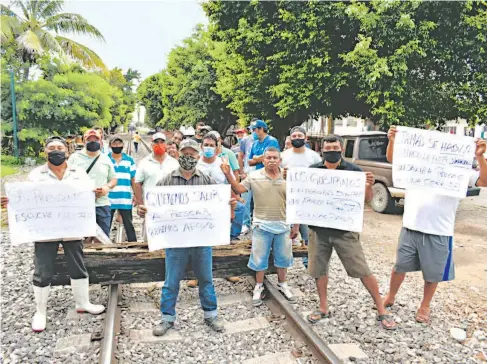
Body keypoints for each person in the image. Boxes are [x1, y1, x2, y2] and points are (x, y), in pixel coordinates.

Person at [383, 127, 487, 324]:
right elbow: (393, 160)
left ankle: (425, 306)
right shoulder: (416, 163)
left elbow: (484, 181)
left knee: (432, 274)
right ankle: (390, 296)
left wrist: (480, 157)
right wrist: (392, 140)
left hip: (439, 230)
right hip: (411, 226)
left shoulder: (460, 170)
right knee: (399, 267)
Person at [2, 136, 105, 332]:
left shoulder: (79, 173)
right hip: (45, 230)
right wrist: (12, 202)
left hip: (73, 228)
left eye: (59, 147)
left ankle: (83, 302)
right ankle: (40, 311)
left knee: (78, 263)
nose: (56, 150)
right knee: (43, 267)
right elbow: (26, 198)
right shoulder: (35, 175)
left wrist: (96, 192)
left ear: (67, 151)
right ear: (45, 152)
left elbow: (88, 193)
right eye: (52, 148)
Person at [137, 139, 235, 337]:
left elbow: (220, 204)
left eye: (192, 154)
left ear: (198, 156)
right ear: (178, 155)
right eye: (185, 153)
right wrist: (144, 210)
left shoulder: (206, 180)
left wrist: (229, 204)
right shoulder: (166, 180)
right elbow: (153, 206)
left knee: (206, 278)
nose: (188, 157)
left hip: (201, 240)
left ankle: (211, 315)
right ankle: (167, 318)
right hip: (175, 241)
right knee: (171, 280)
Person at [303, 135, 396, 329]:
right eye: (328, 148)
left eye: (335, 147)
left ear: (341, 149)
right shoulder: (312, 172)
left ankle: (381, 309)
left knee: (361, 270)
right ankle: (323, 307)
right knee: (319, 270)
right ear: (322, 149)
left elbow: (368, 199)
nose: (331, 151)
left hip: (345, 230)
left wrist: (369, 186)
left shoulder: (353, 171)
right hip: (319, 230)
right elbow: (302, 196)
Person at [222, 147, 298, 306]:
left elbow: (296, 202)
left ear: (280, 160)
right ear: (263, 160)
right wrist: (228, 174)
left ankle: (282, 284)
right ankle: (258, 286)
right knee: (259, 258)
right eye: (268, 157)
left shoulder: (289, 177)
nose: (271, 160)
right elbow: (239, 189)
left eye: (275, 158)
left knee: (283, 258)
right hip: (261, 225)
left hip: (283, 224)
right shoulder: (254, 176)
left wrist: (295, 225)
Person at [281, 126, 322, 264]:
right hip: (286, 200)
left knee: (307, 235)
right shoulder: (284, 156)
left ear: (306, 138)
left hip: (307, 202)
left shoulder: (314, 156)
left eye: (300, 136)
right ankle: (283, 264)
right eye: (294, 136)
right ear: (290, 138)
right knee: (284, 235)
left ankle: (309, 264)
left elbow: (321, 177)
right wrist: (283, 175)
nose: (297, 138)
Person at [68, 129, 117, 237]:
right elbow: (66, 179)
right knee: (80, 239)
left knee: (103, 239)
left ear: (101, 141)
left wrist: (107, 188)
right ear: (84, 141)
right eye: (89, 139)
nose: (92, 141)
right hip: (80, 206)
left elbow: (113, 179)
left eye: (96, 139)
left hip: (102, 205)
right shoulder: (74, 158)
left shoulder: (106, 159)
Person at [134, 132, 179, 205]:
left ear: (165, 145)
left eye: (162, 142)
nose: (159, 144)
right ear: (152, 145)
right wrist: (140, 203)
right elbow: (137, 184)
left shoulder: (174, 163)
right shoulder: (144, 162)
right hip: (151, 205)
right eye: (156, 142)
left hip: (170, 204)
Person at [108, 135, 137, 242]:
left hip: (125, 197)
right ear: (110, 145)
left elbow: (133, 179)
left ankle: (133, 245)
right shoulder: (106, 159)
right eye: (114, 144)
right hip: (108, 198)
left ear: (123, 145)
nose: (117, 146)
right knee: (106, 225)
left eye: (119, 143)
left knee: (129, 224)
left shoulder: (129, 160)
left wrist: (136, 195)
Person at [238, 119, 258, 233]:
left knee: (260, 200)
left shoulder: (267, 140)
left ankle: (257, 223)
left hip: (261, 173)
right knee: (245, 199)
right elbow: (241, 156)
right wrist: (242, 172)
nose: (255, 131)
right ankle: (246, 223)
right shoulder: (245, 140)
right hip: (248, 173)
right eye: (253, 128)